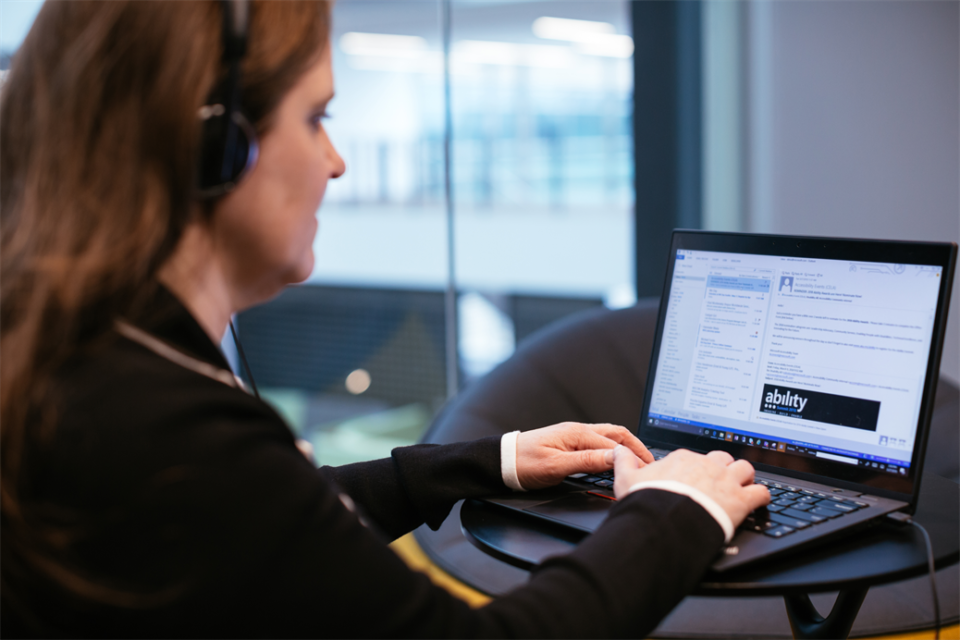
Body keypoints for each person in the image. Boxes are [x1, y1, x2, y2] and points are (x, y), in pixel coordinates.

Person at [0, 1, 769, 636]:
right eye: (316, 118)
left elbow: (273, 527)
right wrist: (678, 511)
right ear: (216, 147)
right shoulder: (161, 428)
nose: (335, 162)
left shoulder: (89, 357)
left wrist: (489, 462)